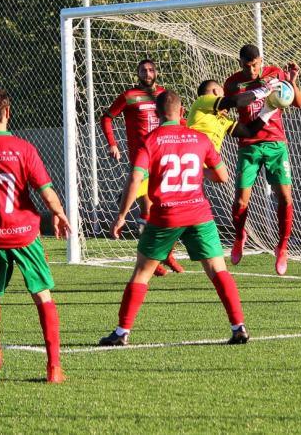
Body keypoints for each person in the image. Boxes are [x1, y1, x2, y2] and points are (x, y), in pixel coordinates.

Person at [99, 90, 248, 346]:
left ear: (157, 114)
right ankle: (239, 327)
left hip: (166, 215)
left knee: (142, 273)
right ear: (181, 113)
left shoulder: (151, 140)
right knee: (217, 270)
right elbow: (222, 176)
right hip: (199, 213)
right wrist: (200, 176)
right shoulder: (200, 139)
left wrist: (121, 215)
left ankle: (122, 332)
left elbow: (135, 178)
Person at [0, 87, 69, 385]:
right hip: (25, 233)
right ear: (7, 112)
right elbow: (46, 192)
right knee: (42, 295)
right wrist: (59, 214)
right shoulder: (24, 148)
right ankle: (54, 367)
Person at [224, 44, 301, 275]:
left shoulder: (276, 73)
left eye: (255, 64)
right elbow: (224, 111)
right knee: (240, 202)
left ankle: (282, 246)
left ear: (261, 61)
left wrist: (292, 81)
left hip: (276, 144)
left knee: (286, 198)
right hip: (248, 146)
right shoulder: (232, 83)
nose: (252, 70)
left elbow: (298, 103)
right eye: (247, 66)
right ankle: (240, 235)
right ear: (240, 63)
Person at [101, 59, 183, 275]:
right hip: (142, 160)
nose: (147, 73)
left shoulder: (166, 96)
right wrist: (112, 144)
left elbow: (179, 121)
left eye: (151, 69)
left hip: (165, 158)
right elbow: (107, 118)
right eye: (143, 70)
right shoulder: (129, 96)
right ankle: (153, 261)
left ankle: (167, 254)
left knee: (170, 210)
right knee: (147, 210)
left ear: (156, 72)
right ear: (137, 73)